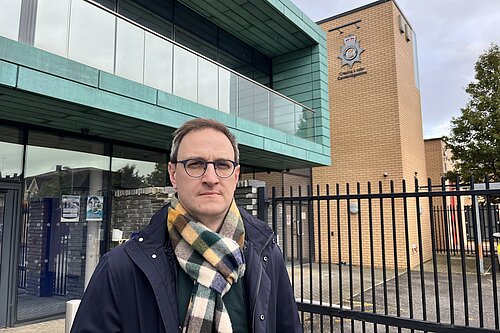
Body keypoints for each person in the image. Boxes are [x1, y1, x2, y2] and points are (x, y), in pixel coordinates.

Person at [71, 118, 302, 333]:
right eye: (195, 164)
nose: (210, 177)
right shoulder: (120, 268)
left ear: (235, 175)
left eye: (222, 165)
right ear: (173, 174)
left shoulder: (266, 254)